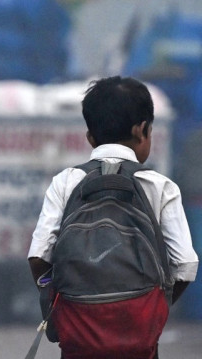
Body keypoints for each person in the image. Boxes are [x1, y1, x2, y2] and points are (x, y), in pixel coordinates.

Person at [28, 76, 199, 357]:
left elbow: (38, 257)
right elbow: (185, 265)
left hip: (78, 336)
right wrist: (152, 309)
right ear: (142, 129)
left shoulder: (66, 181)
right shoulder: (159, 186)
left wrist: (57, 303)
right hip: (140, 338)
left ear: (90, 137)